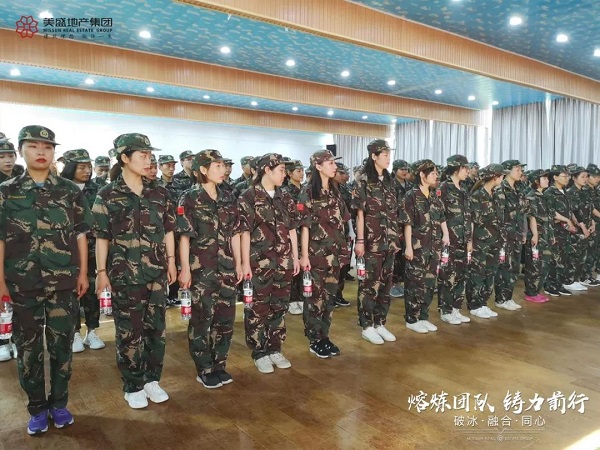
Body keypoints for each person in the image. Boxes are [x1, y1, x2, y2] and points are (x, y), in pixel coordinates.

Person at [0, 125, 92, 434]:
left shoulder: (69, 190)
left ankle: (60, 403)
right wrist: (0, 281)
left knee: (62, 346)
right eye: (33, 146)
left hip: (63, 281)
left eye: (48, 147)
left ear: (54, 152)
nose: (41, 152)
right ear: (21, 151)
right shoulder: (6, 192)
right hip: (21, 282)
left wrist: (83, 273)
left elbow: (80, 234)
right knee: (28, 349)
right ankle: (37, 408)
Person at [93, 133, 177, 409]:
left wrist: (172, 261)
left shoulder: (160, 193)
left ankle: (152, 379)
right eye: (142, 155)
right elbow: (102, 237)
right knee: (129, 332)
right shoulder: (107, 195)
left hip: (156, 273)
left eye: (149, 155)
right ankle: (133, 385)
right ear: (124, 158)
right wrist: (101, 271)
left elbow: (168, 230)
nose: (148, 160)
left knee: (157, 329)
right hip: (124, 275)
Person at [177, 150, 243, 389]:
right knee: (201, 320)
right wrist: (185, 269)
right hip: (201, 269)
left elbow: (235, 234)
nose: (223, 170)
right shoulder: (189, 198)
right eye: (217, 166)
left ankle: (219, 364)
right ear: (203, 170)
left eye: (223, 165)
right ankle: (204, 368)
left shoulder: (228, 196)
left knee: (225, 319)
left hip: (226, 268)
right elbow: (184, 237)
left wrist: (239, 263)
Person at [237, 154, 299, 373]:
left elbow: (292, 228)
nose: (284, 174)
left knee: (279, 306)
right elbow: (244, 232)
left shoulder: (285, 196)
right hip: (259, 263)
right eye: (281, 170)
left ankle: (274, 348)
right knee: (258, 308)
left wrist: (296, 256)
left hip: (283, 262)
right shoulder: (248, 196)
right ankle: (259, 352)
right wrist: (245, 263)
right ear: (267, 170)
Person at [298, 150, 351, 358]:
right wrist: (304, 256)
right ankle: (314, 339)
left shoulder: (336, 190)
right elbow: (304, 227)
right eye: (329, 163)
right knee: (314, 298)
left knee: (329, 298)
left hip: (335, 253)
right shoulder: (308, 192)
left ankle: (324, 335)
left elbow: (343, 221)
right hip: (316, 254)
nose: (334, 166)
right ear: (318, 166)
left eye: (334, 163)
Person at [352, 139, 400, 344]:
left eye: (389, 154)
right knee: (369, 284)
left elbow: (394, 212)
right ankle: (367, 325)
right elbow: (360, 214)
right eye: (385, 154)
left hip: (389, 242)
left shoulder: (390, 180)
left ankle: (380, 322)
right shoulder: (363, 180)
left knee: (386, 284)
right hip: (371, 241)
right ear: (374, 156)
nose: (388, 158)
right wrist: (360, 241)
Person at [60, 149, 106, 353]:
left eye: (89, 166)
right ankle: (75, 332)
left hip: (93, 250)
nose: (87, 170)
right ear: (70, 167)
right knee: (70, 292)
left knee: (92, 290)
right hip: (66, 250)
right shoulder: (61, 189)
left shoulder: (98, 189)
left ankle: (92, 331)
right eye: (81, 167)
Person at [401, 160, 449, 333]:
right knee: (415, 283)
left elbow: (441, 217)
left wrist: (446, 235)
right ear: (422, 174)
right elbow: (407, 223)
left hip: (434, 246)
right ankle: (412, 319)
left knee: (429, 283)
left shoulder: (434, 195)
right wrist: (408, 247)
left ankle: (423, 316)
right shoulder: (411, 196)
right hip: (418, 247)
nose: (436, 176)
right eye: (433, 173)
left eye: (436, 173)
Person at [466, 164, 506, 318]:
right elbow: (471, 221)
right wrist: (470, 241)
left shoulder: (496, 194)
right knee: (477, 273)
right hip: (480, 241)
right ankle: (474, 305)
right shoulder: (477, 196)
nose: (503, 178)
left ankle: (483, 302)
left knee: (490, 272)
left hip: (495, 240)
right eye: (501, 176)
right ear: (494, 177)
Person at [437, 155, 472, 325]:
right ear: (456, 169)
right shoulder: (443, 188)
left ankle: (456, 309)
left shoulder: (464, 189)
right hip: (449, 240)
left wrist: (469, 239)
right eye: (465, 168)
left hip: (463, 240)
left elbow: (468, 216)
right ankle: (445, 310)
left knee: (461, 275)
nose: (467, 171)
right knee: (447, 275)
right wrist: (444, 236)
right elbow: (440, 214)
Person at [493, 160, 528, 311]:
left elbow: (523, 212)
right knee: (504, 267)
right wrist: (501, 236)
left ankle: (508, 297)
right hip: (505, 235)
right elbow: (498, 215)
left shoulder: (519, 188)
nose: (520, 172)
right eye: (517, 169)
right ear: (507, 171)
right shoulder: (500, 189)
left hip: (517, 234)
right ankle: (501, 298)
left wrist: (524, 232)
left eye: (521, 170)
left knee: (514, 267)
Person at [543, 165, 582, 295]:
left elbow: (570, 210)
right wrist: (567, 220)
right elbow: (551, 212)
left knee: (564, 258)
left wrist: (574, 222)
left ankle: (559, 284)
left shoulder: (565, 192)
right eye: (564, 176)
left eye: (568, 176)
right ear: (555, 177)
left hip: (566, 231)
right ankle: (550, 285)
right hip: (555, 230)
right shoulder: (550, 192)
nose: (567, 178)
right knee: (554, 259)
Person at [523, 169, 554, 301]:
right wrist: (535, 234)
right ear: (536, 181)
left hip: (546, 236)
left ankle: (537, 290)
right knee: (534, 265)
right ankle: (530, 293)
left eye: (547, 178)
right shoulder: (531, 196)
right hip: (536, 236)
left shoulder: (544, 196)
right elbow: (532, 217)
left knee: (544, 265)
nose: (547, 180)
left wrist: (551, 234)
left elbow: (549, 218)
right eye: (544, 178)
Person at [567, 167, 598, 287]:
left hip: (587, 227)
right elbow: (574, 212)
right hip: (578, 228)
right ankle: (570, 280)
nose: (585, 179)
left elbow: (590, 209)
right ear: (574, 178)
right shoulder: (571, 192)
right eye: (582, 177)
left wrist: (593, 223)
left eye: (586, 177)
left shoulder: (584, 192)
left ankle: (579, 278)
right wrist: (583, 227)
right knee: (575, 255)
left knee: (583, 255)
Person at [284, 160, 305, 315]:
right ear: (290, 174)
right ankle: (292, 299)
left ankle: (301, 297)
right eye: (298, 171)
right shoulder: (286, 192)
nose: (301, 174)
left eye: (302, 170)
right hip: (292, 234)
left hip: (305, 233)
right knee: (293, 267)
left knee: (304, 268)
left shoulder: (306, 190)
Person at [390, 159, 412, 298]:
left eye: (406, 169)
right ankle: (393, 284)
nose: (404, 172)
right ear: (395, 170)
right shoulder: (391, 184)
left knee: (404, 255)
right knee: (395, 256)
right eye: (401, 169)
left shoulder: (410, 185)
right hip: (396, 224)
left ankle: (401, 283)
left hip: (408, 224)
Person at [333, 162, 353, 307]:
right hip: (328, 235)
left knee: (343, 265)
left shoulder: (344, 189)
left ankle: (338, 294)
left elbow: (349, 212)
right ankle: (329, 296)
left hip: (344, 233)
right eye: (342, 173)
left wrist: (351, 229)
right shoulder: (324, 189)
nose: (345, 176)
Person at [587, 164, 600, 281]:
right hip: (591, 224)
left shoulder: (595, 190)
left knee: (596, 250)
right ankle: (586, 276)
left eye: (598, 177)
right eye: (595, 177)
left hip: (597, 224)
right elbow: (590, 208)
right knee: (590, 251)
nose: (597, 179)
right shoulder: (585, 190)